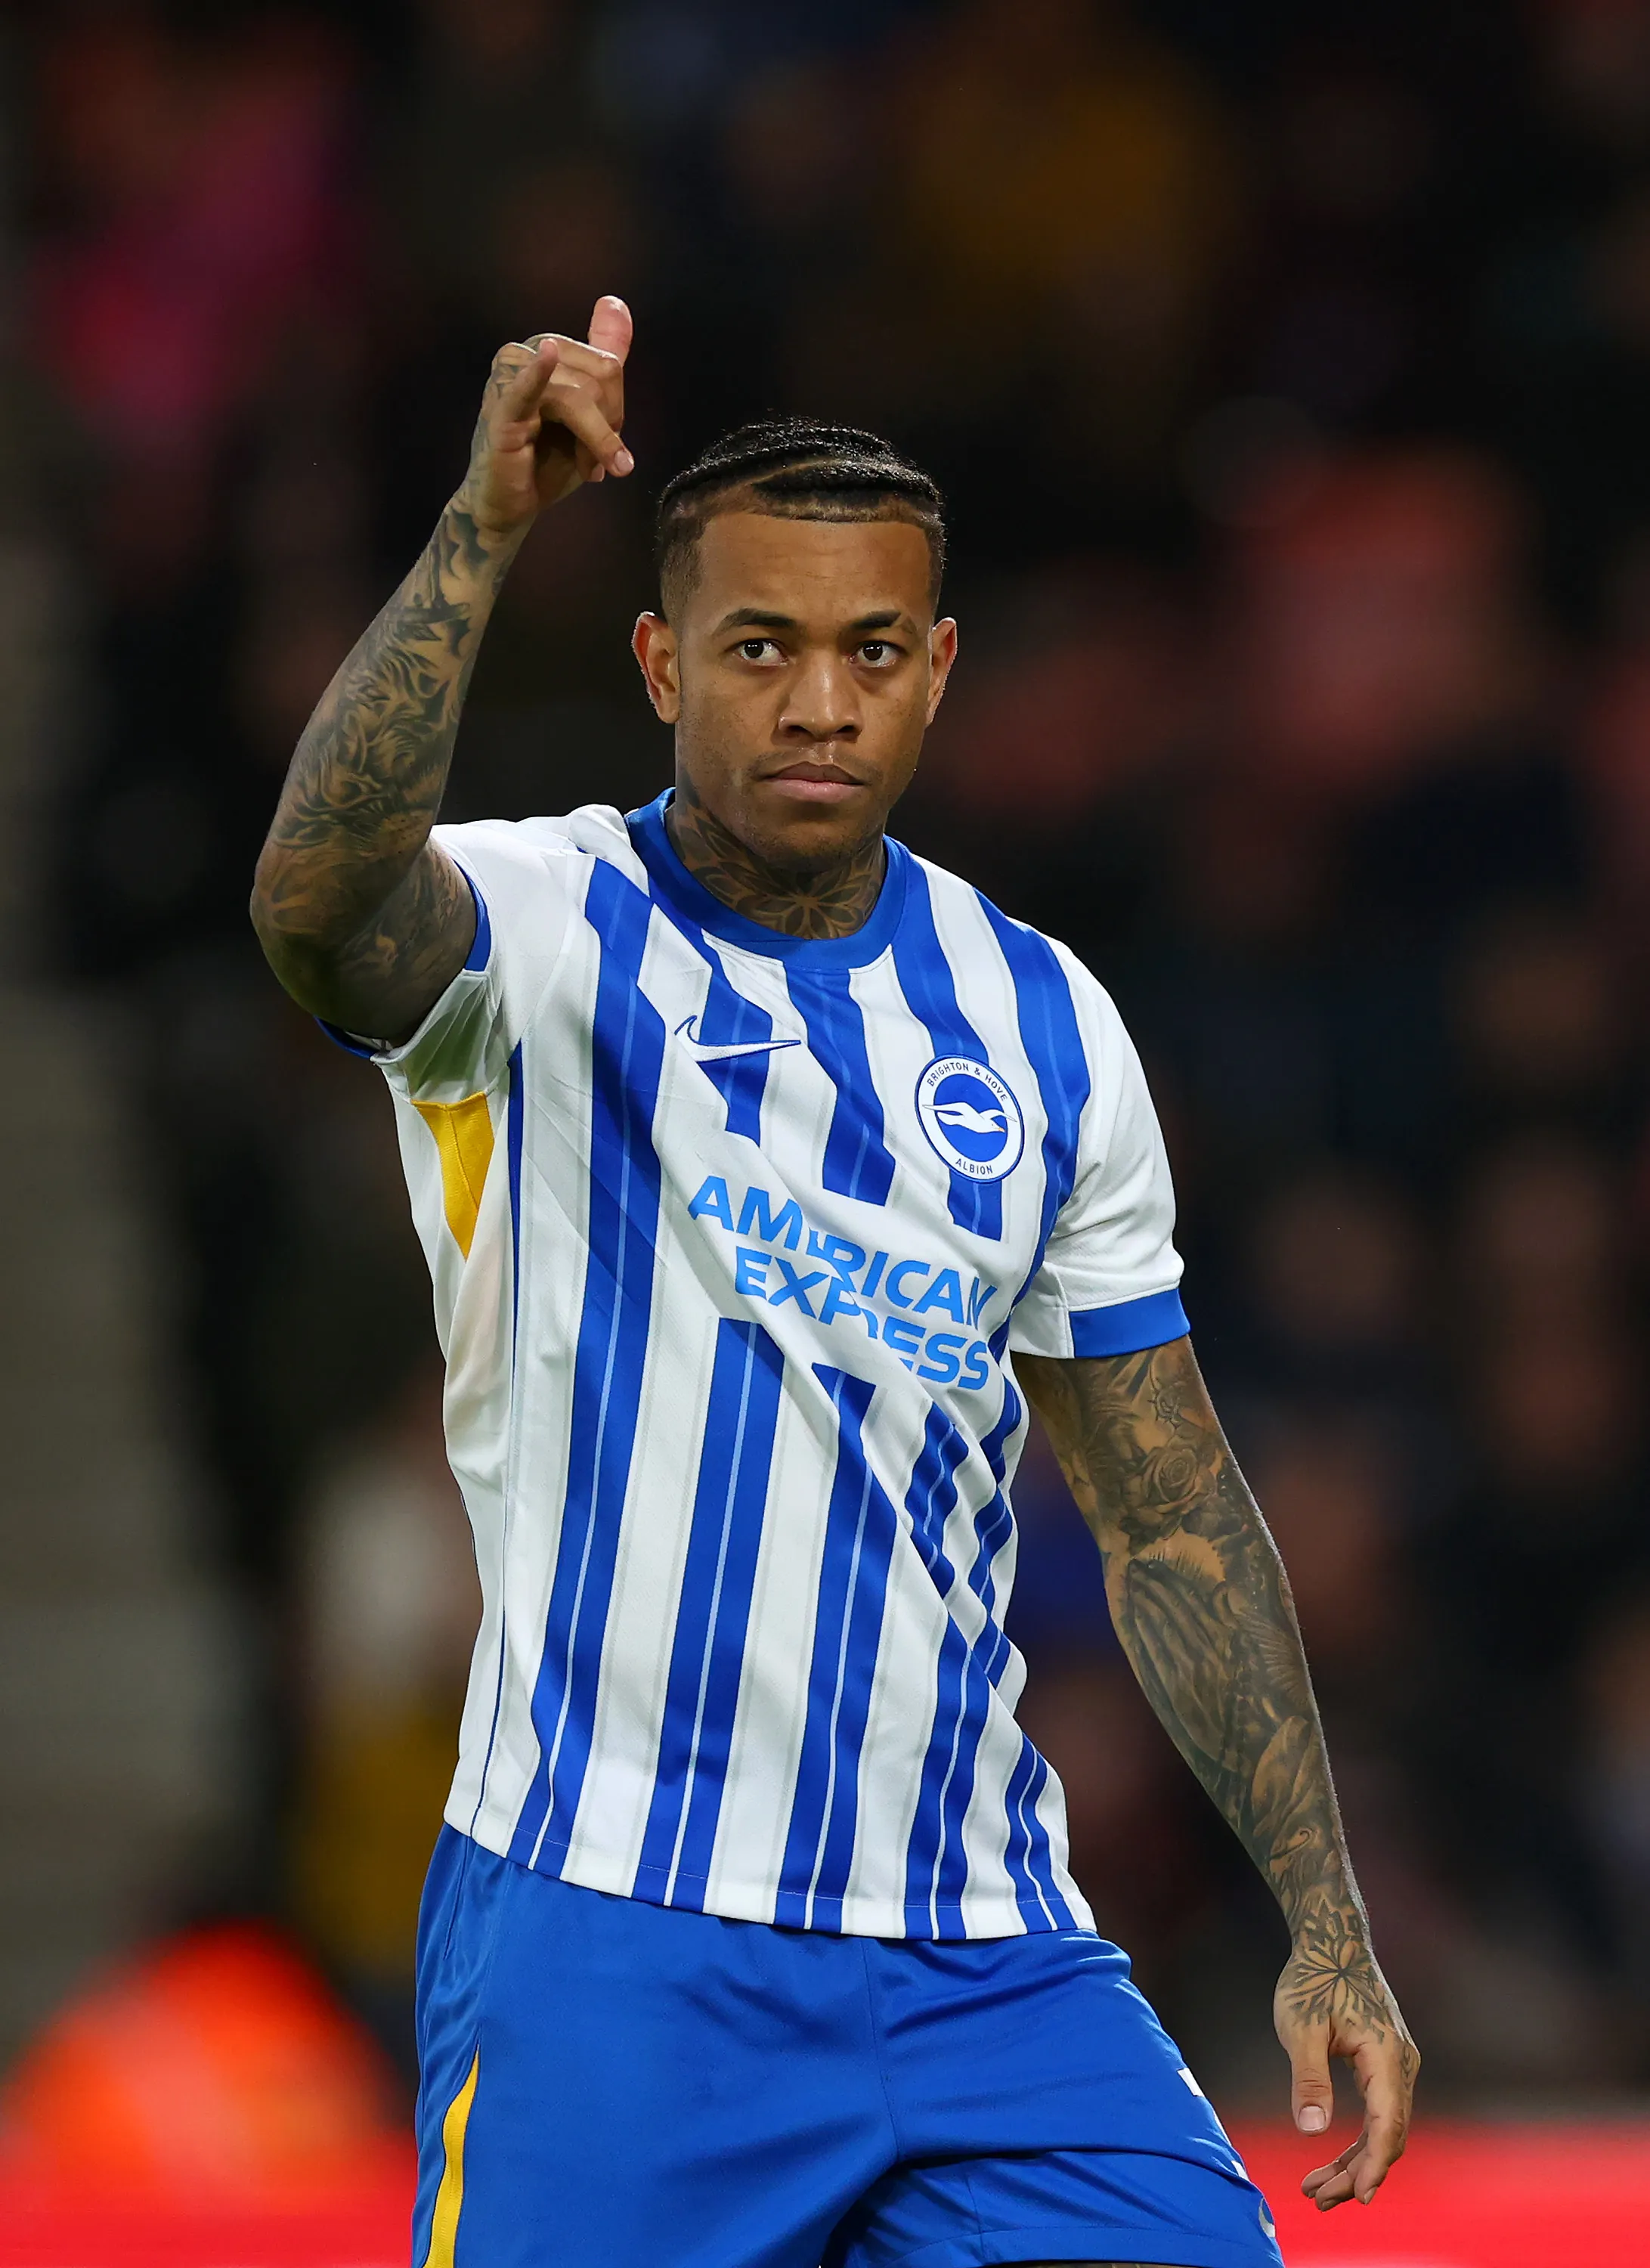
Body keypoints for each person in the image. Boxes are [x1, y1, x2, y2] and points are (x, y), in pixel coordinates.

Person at [251, 296, 1416, 2268]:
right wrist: (480, 529)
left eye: (870, 652)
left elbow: (1167, 1513)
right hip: (611, 1930)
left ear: (937, 671)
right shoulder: (537, 933)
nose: (817, 704)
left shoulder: (1040, 1025)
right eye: (759, 648)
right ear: (659, 662)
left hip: (983, 1957)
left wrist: (1322, 1917)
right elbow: (316, 913)